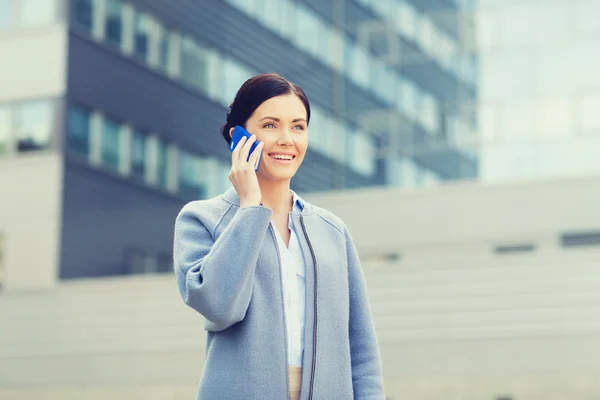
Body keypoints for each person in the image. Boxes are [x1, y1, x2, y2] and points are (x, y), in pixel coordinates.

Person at [173, 73, 385, 400]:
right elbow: (218, 306)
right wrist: (249, 209)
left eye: (298, 126)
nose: (287, 139)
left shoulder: (332, 231)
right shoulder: (202, 219)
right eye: (271, 125)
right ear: (238, 136)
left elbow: (362, 347)